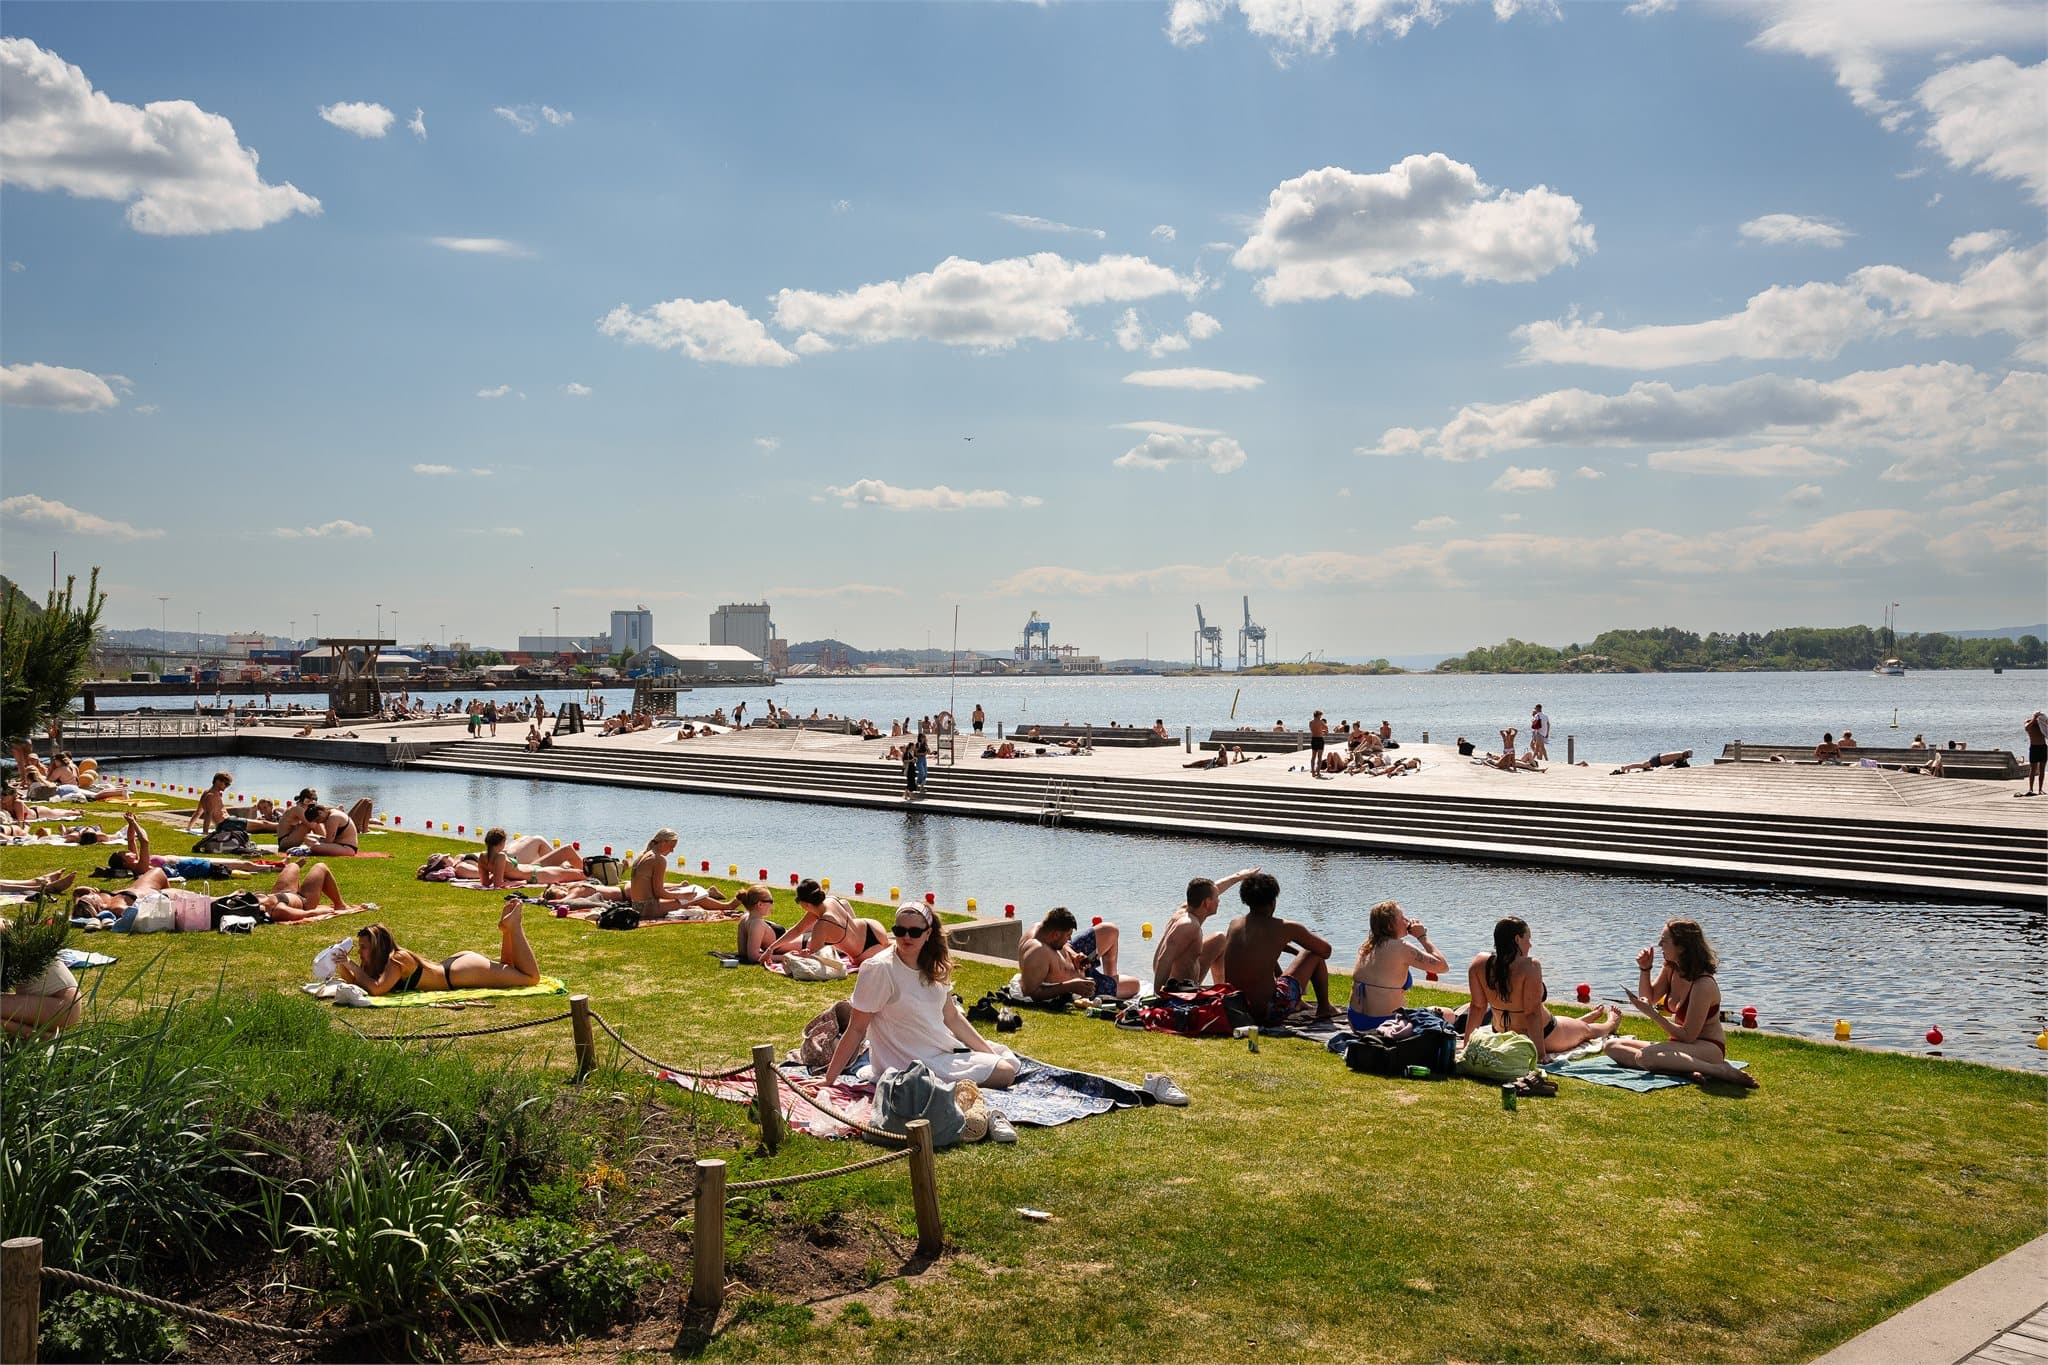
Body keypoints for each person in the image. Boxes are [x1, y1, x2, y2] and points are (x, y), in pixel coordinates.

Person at [822, 903, 1017, 1088]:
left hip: (940, 1049)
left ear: (928, 933)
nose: (906, 937)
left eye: (914, 932)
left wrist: (989, 1054)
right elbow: (856, 1028)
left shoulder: (935, 964)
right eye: (900, 931)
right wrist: (829, 1080)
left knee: (1008, 1061)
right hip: (906, 1062)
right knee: (1005, 1072)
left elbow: (952, 1017)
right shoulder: (879, 968)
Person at [1608, 920, 1758, 1088]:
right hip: (1680, 1046)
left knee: (1644, 1057)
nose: (1659, 945)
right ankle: (1684, 1069)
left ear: (1681, 947)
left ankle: (1719, 1070)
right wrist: (1645, 969)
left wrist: (1653, 1014)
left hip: (1708, 1048)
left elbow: (1688, 1035)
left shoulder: (1703, 984)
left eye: (1664, 941)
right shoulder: (1671, 969)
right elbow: (1649, 998)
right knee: (1612, 1045)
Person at [1465, 916, 1619, 1061]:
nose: (1530, 945)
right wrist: (1540, 1054)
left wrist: (1467, 1045)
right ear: (1517, 939)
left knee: (1571, 1024)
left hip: (1501, 1033)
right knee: (1586, 1030)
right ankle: (1611, 1022)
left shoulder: (1479, 962)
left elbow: (1477, 1007)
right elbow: (1532, 1013)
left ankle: (1585, 1018)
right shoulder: (1530, 966)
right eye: (1528, 939)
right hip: (1546, 1035)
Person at [334, 901, 542, 996]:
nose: (359, 952)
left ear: (377, 947)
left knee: (530, 978)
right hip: (455, 967)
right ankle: (507, 930)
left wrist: (352, 965)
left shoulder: (397, 959)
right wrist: (342, 963)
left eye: (363, 947)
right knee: (508, 968)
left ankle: (515, 926)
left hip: (461, 973)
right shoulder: (380, 963)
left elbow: (377, 989)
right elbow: (358, 983)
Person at [1220, 872, 1336, 1025]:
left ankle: (1299, 1002)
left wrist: (1291, 951)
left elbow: (1260, 952)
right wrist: (1301, 946)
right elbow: (1325, 951)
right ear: (1273, 901)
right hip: (1269, 1012)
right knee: (1313, 952)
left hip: (1235, 1008)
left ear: (1245, 899)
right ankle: (1324, 1008)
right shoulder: (1286, 927)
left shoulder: (1235, 924)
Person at [1347, 900, 1456, 1030]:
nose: (1407, 921)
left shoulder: (1367, 946)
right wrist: (1422, 936)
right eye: (1402, 918)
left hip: (1356, 1021)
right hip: (1386, 1023)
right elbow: (1443, 966)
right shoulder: (1401, 947)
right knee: (1449, 1014)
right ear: (1389, 926)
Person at [1152, 868, 1257, 987]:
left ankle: (1221, 988)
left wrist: (1238, 876)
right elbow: (1164, 959)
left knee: (1219, 939)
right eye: (1216, 897)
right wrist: (1159, 992)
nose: (1219, 900)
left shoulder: (1188, 909)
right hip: (1179, 988)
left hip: (1183, 978)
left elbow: (1213, 888)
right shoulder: (1188, 924)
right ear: (1207, 903)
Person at [100, 812, 275, 878]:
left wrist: (131, 823)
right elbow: (144, 841)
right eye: (127, 854)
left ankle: (270, 868)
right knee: (242, 864)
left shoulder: (136, 860)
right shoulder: (140, 866)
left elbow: (132, 840)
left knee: (239, 863)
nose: (130, 852)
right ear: (125, 862)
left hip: (185, 860)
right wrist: (135, 824)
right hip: (187, 865)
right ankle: (272, 869)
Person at [1018, 907, 1138, 1002]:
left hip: (1077, 962)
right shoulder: (1036, 952)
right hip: (1085, 984)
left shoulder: (1042, 929)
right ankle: (1109, 984)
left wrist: (1074, 955)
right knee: (1134, 985)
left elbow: (1064, 944)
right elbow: (1030, 992)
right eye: (1068, 935)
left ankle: (1111, 976)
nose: (1070, 938)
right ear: (1056, 935)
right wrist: (1071, 986)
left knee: (1110, 930)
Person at [765, 878, 890, 967]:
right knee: (892, 949)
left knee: (891, 957)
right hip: (872, 927)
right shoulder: (830, 900)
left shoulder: (822, 925)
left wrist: (801, 956)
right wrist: (771, 948)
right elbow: (798, 929)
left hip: (863, 953)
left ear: (806, 904)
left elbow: (817, 960)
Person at [621, 828, 736, 915]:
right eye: (671, 846)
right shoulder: (658, 860)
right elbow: (659, 893)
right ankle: (728, 906)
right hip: (648, 909)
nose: (672, 851)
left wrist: (677, 891)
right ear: (663, 842)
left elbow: (651, 889)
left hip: (637, 906)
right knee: (697, 898)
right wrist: (682, 895)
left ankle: (723, 904)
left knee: (688, 895)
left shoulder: (642, 855)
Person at [471, 827, 589, 888]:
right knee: (584, 875)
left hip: (534, 867)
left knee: (567, 849)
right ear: (502, 843)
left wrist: (499, 874)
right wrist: (519, 882)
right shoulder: (500, 856)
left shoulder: (482, 857)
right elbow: (498, 884)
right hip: (537, 875)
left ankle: (591, 869)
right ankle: (596, 873)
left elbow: (485, 882)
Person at [734, 885, 785, 964]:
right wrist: (784, 957)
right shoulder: (757, 924)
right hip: (802, 944)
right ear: (760, 904)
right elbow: (753, 957)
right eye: (771, 901)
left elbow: (743, 953)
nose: (772, 905)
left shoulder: (745, 919)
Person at [1612, 749, 1693, 774]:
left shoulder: (1680, 754)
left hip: (1658, 759)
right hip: (1657, 760)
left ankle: (1628, 767)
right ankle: (1625, 767)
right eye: (1688, 756)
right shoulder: (1679, 756)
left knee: (1644, 765)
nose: (1687, 758)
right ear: (1686, 754)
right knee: (1642, 765)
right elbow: (1679, 764)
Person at [2024, 711, 2047, 797]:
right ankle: (2031, 789)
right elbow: (2027, 728)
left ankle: (2040, 789)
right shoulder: (2028, 722)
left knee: (2042, 769)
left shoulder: (2041, 724)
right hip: (2034, 748)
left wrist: (2042, 719)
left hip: (2043, 747)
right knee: (2033, 769)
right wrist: (2034, 719)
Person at [1308, 710, 1329, 779]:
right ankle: (1318, 772)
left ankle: (1313, 772)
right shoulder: (1321, 722)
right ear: (1319, 715)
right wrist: (1324, 732)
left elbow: (1313, 730)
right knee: (1319, 757)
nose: (1321, 717)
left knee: (1313, 756)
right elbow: (1326, 728)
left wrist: (1320, 731)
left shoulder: (1311, 722)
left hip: (1313, 739)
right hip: (1319, 739)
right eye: (1320, 715)